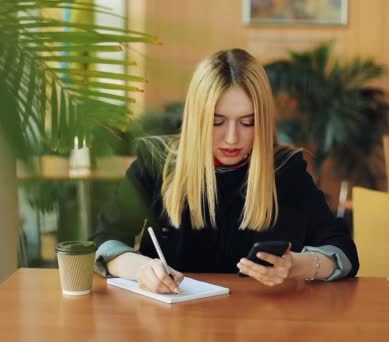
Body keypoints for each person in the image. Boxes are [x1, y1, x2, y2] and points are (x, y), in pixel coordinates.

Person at [93, 48, 359, 294]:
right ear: (197, 119)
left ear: (263, 122)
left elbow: (342, 251)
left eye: (247, 122)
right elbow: (104, 243)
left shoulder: (285, 169)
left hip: (260, 323)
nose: (232, 138)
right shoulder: (155, 161)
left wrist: (297, 265)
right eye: (216, 122)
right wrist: (140, 269)